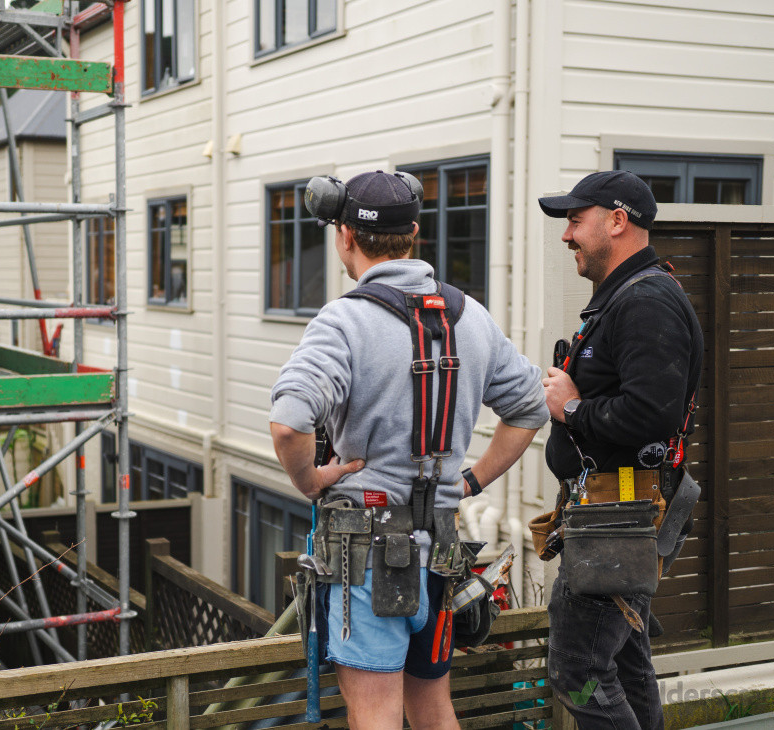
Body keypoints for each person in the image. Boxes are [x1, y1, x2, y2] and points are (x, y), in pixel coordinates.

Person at [270, 170, 548, 730]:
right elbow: (531, 409)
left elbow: (289, 423)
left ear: (345, 235)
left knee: (375, 714)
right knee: (433, 709)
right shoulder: (470, 316)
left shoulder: (343, 321)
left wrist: (310, 480)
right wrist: (470, 481)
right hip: (441, 555)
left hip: (366, 558)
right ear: (413, 233)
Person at [538, 170, 703, 729]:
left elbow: (651, 415)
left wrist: (571, 409)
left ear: (616, 220)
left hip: (620, 520)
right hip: (618, 516)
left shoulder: (646, 302)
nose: (567, 235)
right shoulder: (626, 298)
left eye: (575, 221)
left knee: (578, 671)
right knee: (627, 666)